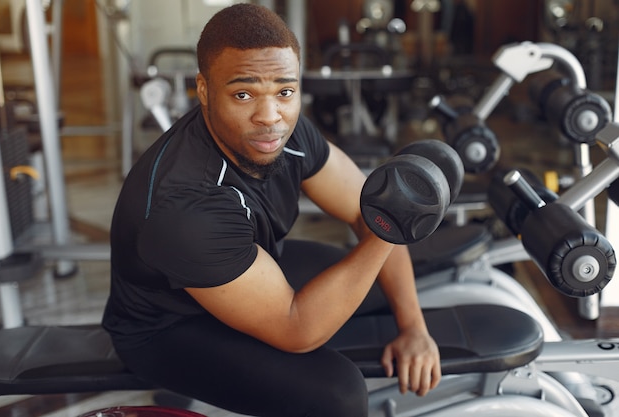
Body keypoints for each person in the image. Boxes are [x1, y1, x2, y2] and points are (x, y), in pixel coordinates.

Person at [102, 3, 440, 416]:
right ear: (204, 89)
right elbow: (297, 329)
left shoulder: (288, 130)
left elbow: (360, 210)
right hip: (168, 327)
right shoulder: (185, 208)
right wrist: (391, 226)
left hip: (248, 266)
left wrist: (414, 330)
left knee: (378, 288)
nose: (269, 117)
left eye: (285, 91)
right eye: (243, 94)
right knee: (337, 395)